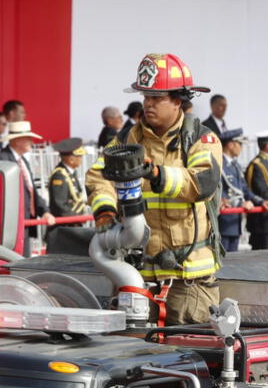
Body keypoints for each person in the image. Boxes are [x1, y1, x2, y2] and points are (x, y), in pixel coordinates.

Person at [86, 53, 221, 325]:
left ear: (178, 101)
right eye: (146, 97)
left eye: (157, 98)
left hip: (187, 279)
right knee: (130, 358)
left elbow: (201, 183)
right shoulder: (125, 139)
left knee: (191, 358)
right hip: (136, 275)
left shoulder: (200, 139)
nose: (148, 103)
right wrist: (104, 211)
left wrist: (157, 174)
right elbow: (98, 176)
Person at [0, 121, 55, 256]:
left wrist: (44, 211)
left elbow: (32, 191)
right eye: (28, 138)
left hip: (25, 223)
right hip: (12, 225)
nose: (31, 141)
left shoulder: (23, 161)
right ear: (16, 141)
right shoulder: (2, 159)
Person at [219, 129, 268, 252]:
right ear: (231, 144)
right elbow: (218, 193)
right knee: (223, 265)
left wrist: (261, 201)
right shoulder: (218, 164)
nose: (241, 148)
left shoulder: (235, 165)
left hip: (235, 223)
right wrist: (239, 203)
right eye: (240, 144)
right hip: (223, 223)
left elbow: (244, 190)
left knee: (233, 264)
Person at [48, 138, 86, 220]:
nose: (81, 159)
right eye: (79, 156)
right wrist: (76, 217)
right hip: (64, 227)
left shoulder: (71, 173)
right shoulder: (59, 176)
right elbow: (60, 205)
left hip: (73, 223)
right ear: (71, 159)